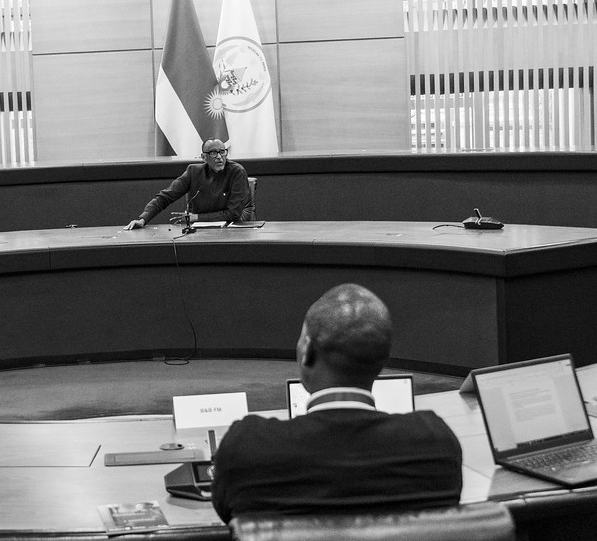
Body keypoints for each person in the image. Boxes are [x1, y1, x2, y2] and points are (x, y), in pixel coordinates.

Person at [211, 283, 463, 520]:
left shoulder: (247, 447)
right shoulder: (436, 443)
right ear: (382, 357)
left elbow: (227, 517)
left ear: (307, 350)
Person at [127, 139, 254, 229]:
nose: (219, 157)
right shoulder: (193, 172)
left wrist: (196, 217)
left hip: (230, 231)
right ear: (203, 157)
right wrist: (143, 219)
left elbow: (233, 213)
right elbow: (165, 197)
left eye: (222, 152)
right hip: (199, 231)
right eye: (213, 153)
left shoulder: (237, 171)